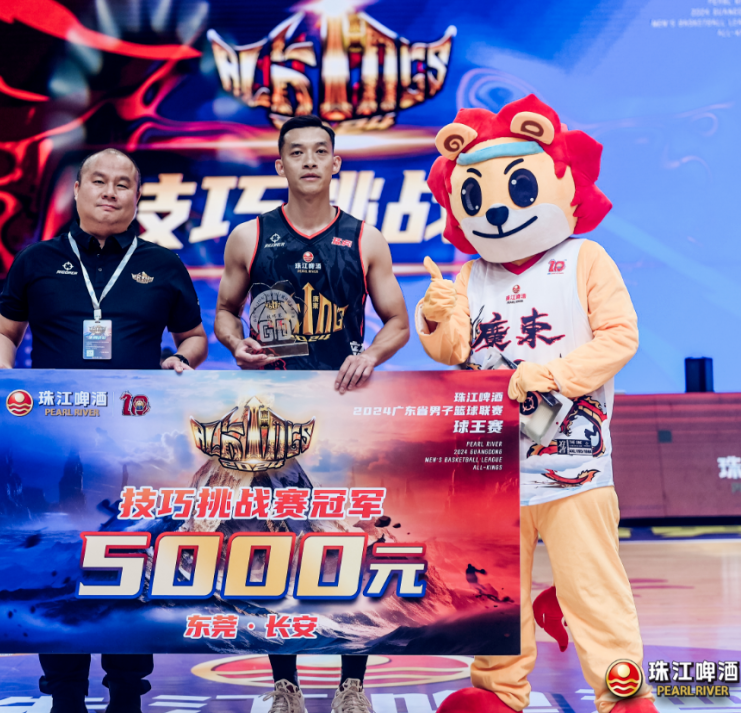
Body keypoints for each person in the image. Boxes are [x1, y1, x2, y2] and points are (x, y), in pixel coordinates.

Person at [418, 97, 656, 713]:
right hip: (493, 468)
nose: (496, 209)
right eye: (475, 196)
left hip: (574, 463)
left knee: (593, 588)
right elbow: (453, 351)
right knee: (493, 592)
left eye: (518, 186)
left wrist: (550, 375)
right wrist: (436, 317)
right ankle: (498, 692)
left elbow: (620, 337)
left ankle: (622, 695)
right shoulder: (472, 275)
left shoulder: (585, 259)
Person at [0, 148, 208, 713]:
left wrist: (182, 359)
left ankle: (127, 690)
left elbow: (194, 337)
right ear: (77, 190)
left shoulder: (163, 264)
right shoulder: (36, 261)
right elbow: (4, 332)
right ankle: (64, 692)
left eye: (123, 184)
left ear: (137, 197)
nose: (110, 191)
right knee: (60, 557)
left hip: (136, 443)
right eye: (98, 181)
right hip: (56, 444)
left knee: (130, 551)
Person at [215, 115, 410, 713]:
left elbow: (398, 322)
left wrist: (370, 354)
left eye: (319, 151)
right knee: (276, 543)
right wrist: (236, 345)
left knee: (348, 540)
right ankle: (286, 684)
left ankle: (353, 684)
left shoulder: (365, 238)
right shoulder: (249, 236)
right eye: (295, 152)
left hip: (343, 408)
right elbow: (224, 312)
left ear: (335, 163)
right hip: (275, 415)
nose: (308, 161)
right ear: (279, 165)